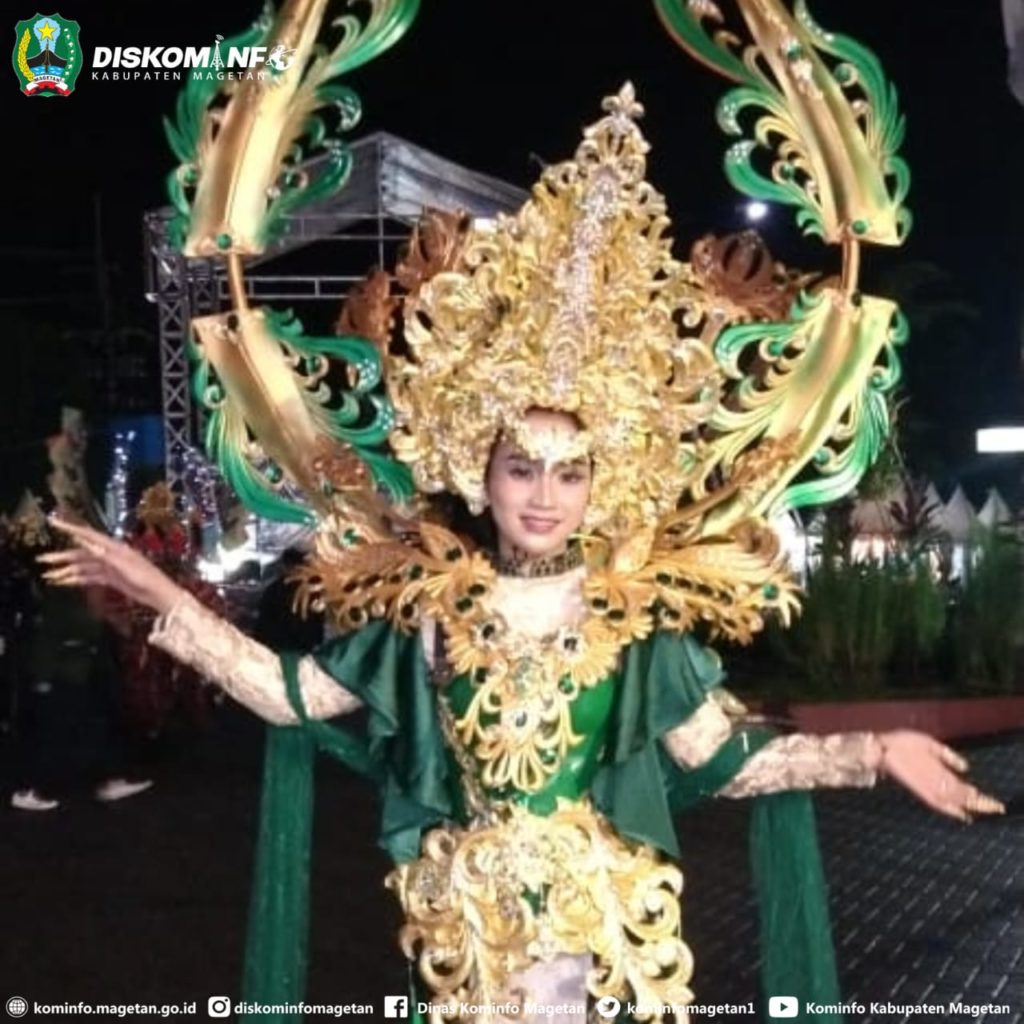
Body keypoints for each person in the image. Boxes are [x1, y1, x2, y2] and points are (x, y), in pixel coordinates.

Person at [41, 94, 1004, 1022]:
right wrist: (157, 593)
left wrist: (876, 751)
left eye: (570, 472)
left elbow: (728, 762)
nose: (545, 494)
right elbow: (287, 695)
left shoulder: (632, 624)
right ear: (480, 472)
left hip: (599, 928)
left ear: (601, 485)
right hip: (468, 931)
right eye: (521, 467)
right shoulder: (431, 612)